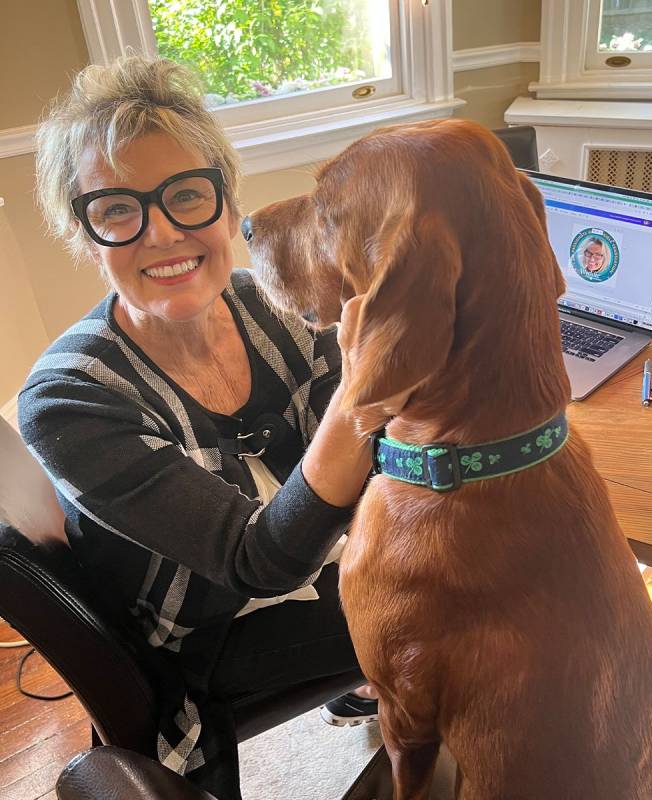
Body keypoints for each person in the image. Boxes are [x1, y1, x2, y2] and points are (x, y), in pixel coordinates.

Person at [21, 56, 383, 800]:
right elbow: (260, 563)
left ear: (224, 202)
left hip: (325, 557)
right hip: (205, 633)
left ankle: (399, 703)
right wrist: (375, 371)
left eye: (188, 194)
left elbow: (378, 464)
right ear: (85, 237)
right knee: (476, 607)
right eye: (117, 209)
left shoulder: (274, 305)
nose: (161, 233)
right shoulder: (69, 400)